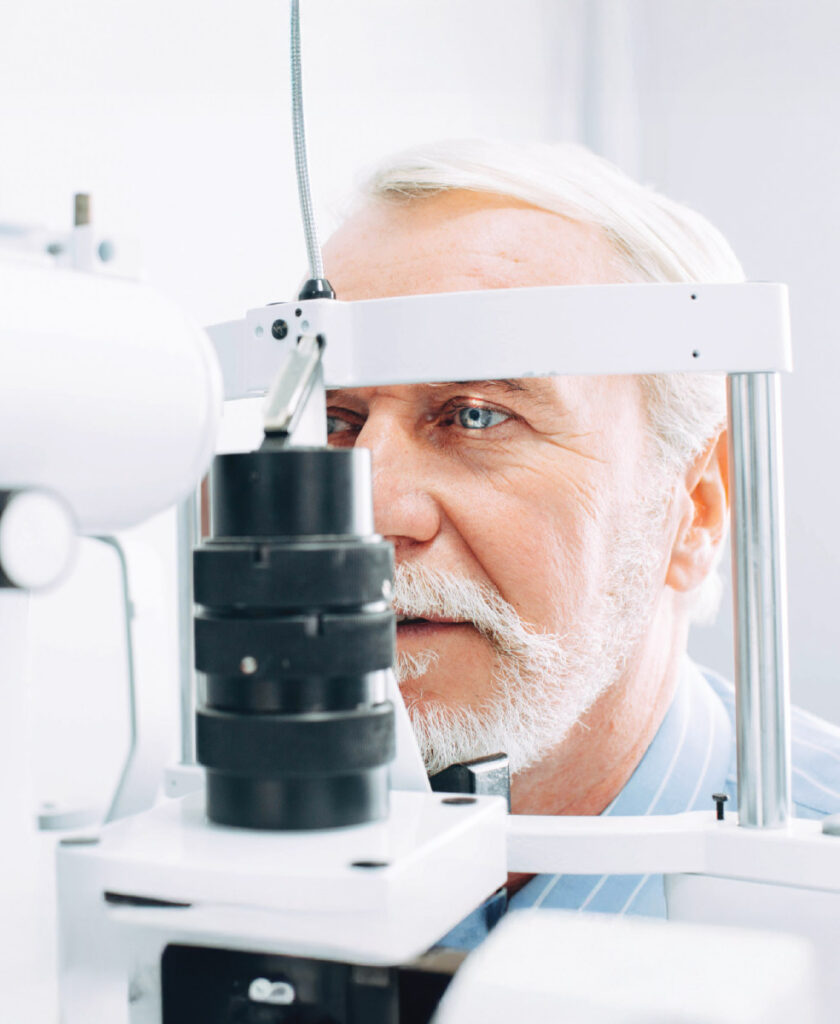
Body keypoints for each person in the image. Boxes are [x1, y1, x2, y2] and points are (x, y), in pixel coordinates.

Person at [319, 139, 840, 942]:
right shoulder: (208, 863)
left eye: (475, 415)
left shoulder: (818, 886)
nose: (368, 507)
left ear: (695, 507)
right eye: (335, 422)